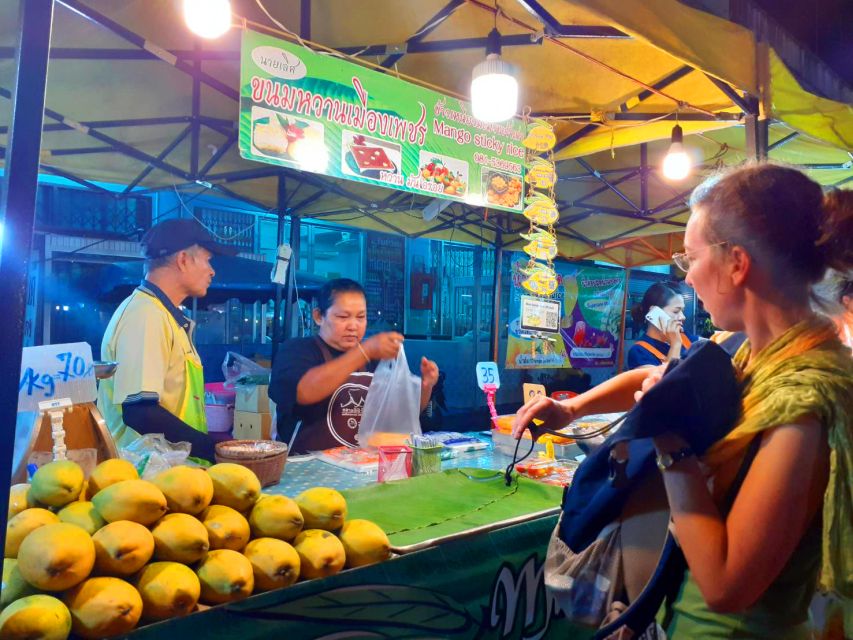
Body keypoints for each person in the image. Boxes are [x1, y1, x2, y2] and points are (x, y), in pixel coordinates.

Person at [516, 163, 853, 638]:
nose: (688, 279)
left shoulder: (802, 402)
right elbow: (656, 375)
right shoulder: (745, 353)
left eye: (690, 259)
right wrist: (572, 409)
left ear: (736, 263)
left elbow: (725, 585)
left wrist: (671, 444)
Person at [97, 218, 237, 461]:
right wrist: (211, 449)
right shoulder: (145, 315)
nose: (212, 270)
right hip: (143, 476)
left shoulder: (164, 315)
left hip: (172, 473)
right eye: (207, 260)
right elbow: (140, 412)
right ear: (183, 260)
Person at [270, 278, 439, 454]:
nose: (353, 326)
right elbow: (304, 391)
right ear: (319, 316)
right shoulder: (297, 351)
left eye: (361, 317)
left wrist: (426, 386)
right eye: (343, 317)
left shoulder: (375, 358)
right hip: (307, 469)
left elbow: (402, 411)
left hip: (362, 467)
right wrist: (364, 351)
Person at [626, 282, 696, 369]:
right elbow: (668, 382)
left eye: (683, 311)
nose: (683, 317)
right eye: (676, 311)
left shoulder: (685, 337)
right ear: (654, 313)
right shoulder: (639, 352)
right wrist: (676, 345)